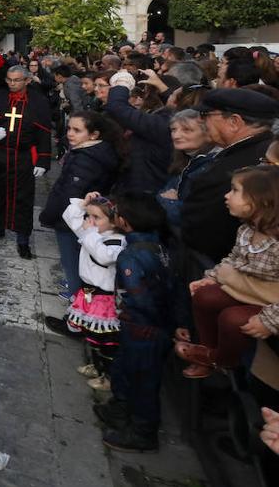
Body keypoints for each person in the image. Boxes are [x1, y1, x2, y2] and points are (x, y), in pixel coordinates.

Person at [176, 165, 279, 378]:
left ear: (263, 201)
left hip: (271, 304)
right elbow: (232, 260)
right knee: (204, 296)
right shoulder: (246, 230)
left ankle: (220, 360)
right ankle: (208, 350)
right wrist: (210, 278)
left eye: (234, 190)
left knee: (232, 319)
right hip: (249, 292)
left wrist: (269, 321)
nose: (226, 195)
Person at [93, 192, 175, 453]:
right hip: (147, 327)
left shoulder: (130, 256)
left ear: (124, 222)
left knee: (143, 382)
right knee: (125, 370)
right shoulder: (159, 246)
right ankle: (120, 410)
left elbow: (140, 298)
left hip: (143, 328)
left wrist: (144, 320)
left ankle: (143, 432)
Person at [182, 89, 279, 263]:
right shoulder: (270, 151)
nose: (200, 120)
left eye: (205, 114)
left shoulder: (231, 173)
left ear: (234, 122)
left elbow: (199, 232)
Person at [45, 196, 125, 383]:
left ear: (114, 220)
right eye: (89, 216)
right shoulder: (93, 231)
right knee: (91, 334)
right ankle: (97, 365)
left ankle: (107, 376)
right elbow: (70, 216)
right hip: (88, 292)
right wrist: (83, 204)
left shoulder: (116, 241)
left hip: (103, 298)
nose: (89, 221)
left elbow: (104, 257)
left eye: (96, 217)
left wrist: (90, 233)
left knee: (106, 339)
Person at [39, 111, 120, 294]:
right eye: (69, 128)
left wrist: (50, 215)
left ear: (94, 135)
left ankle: (75, 306)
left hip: (73, 219)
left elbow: (69, 193)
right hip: (83, 217)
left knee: (72, 262)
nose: (70, 134)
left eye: (77, 130)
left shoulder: (86, 158)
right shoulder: (93, 151)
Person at [0, 66, 52, 259]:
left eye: (17, 80)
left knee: (23, 199)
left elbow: (44, 132)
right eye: (9, 80)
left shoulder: (38, 102)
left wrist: (43, 160)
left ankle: (23, 240)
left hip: (23, 158)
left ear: (27, 81)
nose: (12, 84)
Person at [103, 71, 172, 193]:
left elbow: (117, 107)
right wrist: (163, 87)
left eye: (145, 91)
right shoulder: (180, 117)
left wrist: (123, 82)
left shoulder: (161, 124)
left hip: (144, 189)